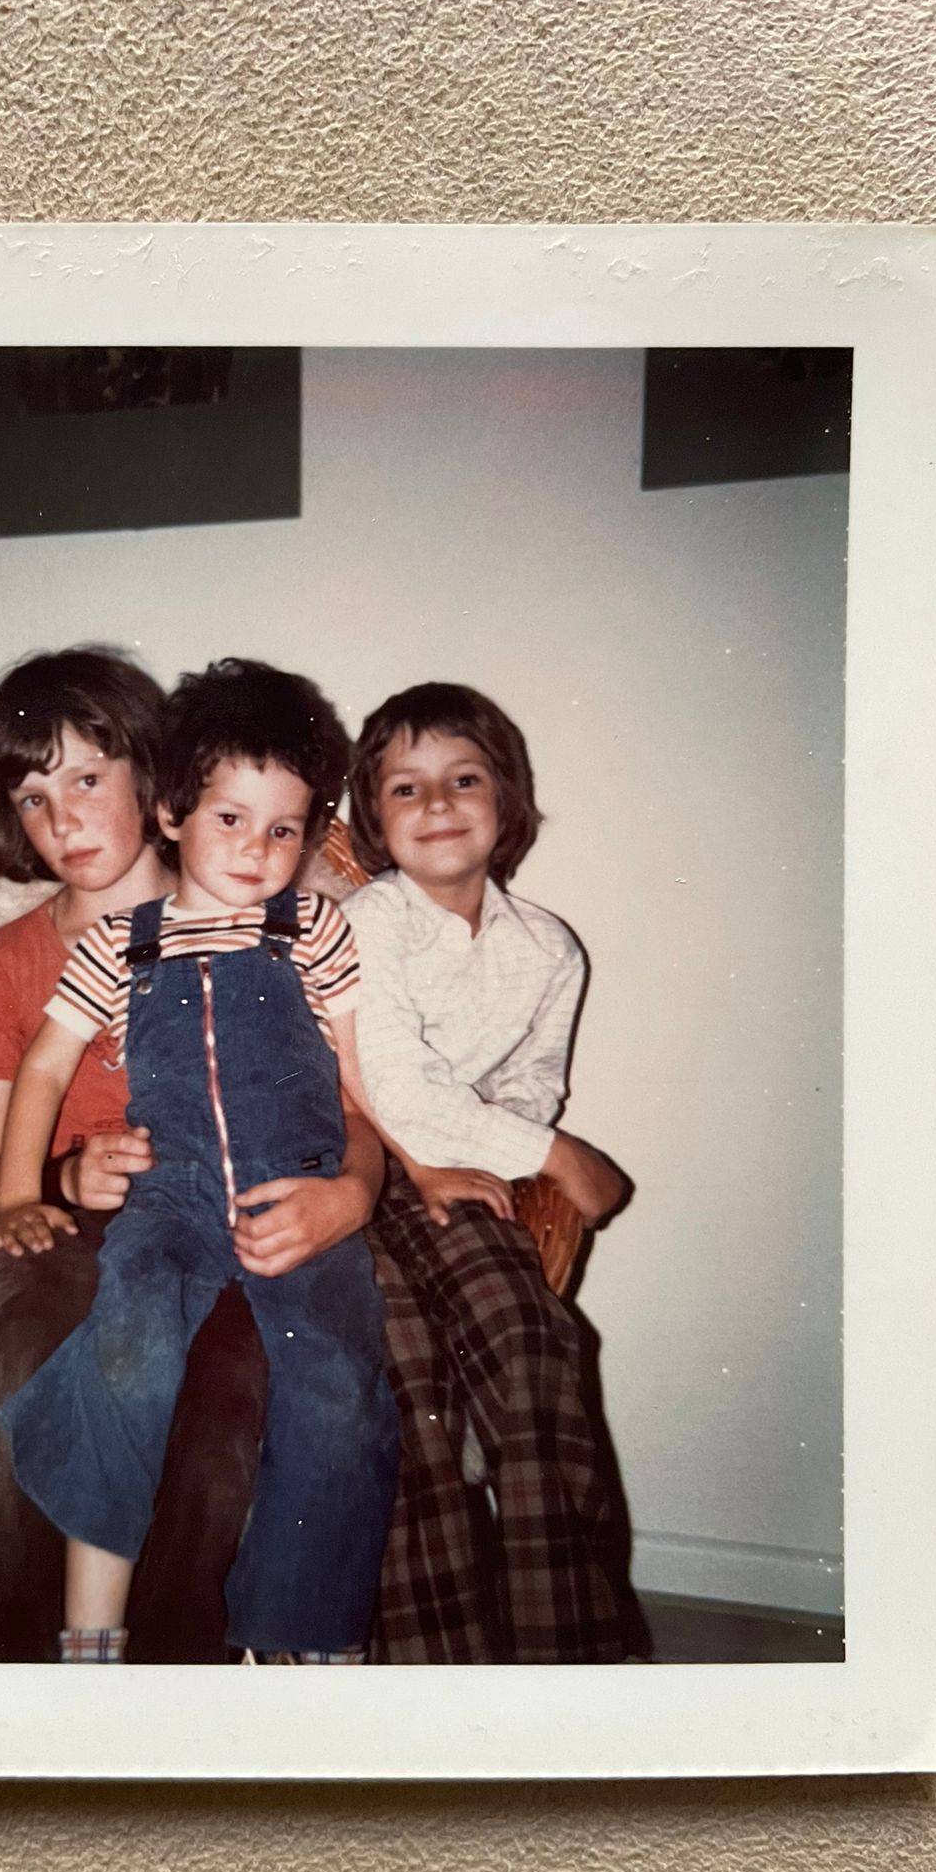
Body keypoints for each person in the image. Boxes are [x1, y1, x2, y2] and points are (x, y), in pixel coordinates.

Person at [0, 660, 400, 1663]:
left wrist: (363, 1186)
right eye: (231, 819)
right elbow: (42, 1064)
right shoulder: (120, 945)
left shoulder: (315, 929)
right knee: (126, 1350)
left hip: (297, 1187)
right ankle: (92, 1635)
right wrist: (15, 1193)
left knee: (340, 1387)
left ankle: (302, 1643)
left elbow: (368, 1086)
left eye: (285, 829)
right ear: (172, 812)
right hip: (170, 1197)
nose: (259, 850)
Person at [0, 645, 268, 1663]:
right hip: (68, 1229)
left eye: (87, 779)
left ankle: (159, 1695)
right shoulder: (3, 962)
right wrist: (54, 1177)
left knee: (225, 1407)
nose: (64, 820)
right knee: (14, 1366)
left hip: (214, 1232)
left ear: (152, 778)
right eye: (34, 798)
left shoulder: (246, 927)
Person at [342, 681, 645, 1664]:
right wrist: (557, 1158)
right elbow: (393, 1084)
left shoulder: (549, 949)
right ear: (374, 817)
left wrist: (517, 1147)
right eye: (406, 786)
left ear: (506, 799)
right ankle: (435, 1666)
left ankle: (571, 1652)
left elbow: (529, 1084)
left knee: (529, 1337)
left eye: (463, 779)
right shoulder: (369, 920)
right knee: (399, 1367)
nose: (436, 803)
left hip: (462, 1171)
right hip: (350, 1162)